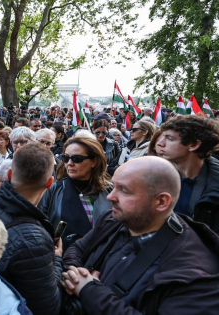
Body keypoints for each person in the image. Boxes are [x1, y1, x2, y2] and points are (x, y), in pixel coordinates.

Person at [61, 156, 219, 314]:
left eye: (123, 190)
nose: (110, 196)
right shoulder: (113, 219)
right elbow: (77, 248)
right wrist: (78, 275)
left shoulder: (193, 274)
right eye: (113, 186)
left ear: (161, 201)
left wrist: (89, 291)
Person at [0, 143, 62, 315]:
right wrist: (57, 260)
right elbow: (48, 308)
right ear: (50, 183)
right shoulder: (33, 240)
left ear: (10, 174)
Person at [38, 136, 112, 250]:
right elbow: (39, 228)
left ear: (94, 161)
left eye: (77, 158)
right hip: (61, 261)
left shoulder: (111, 190)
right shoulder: (52, 190)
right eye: (66, 158)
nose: (70, 163)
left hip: (100, 261)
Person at [155, 115, 219, 233]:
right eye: (162, 137)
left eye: (170, 138)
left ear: (194, 145)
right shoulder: (153, 174)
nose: (160, 143)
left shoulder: (214, 186)